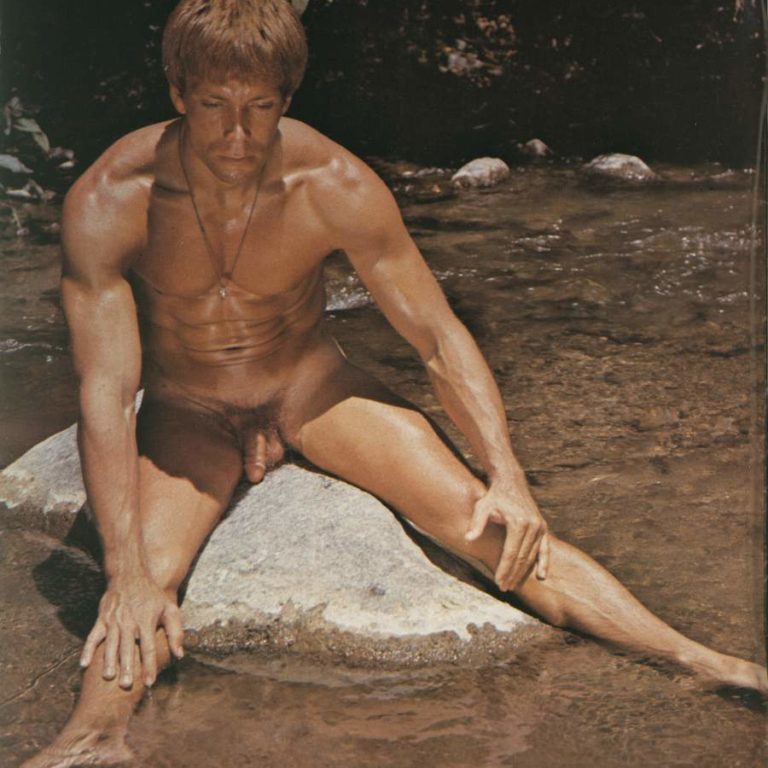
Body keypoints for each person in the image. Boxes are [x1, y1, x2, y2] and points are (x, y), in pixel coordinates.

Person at [24, 1, 767, 765]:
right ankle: (91, 739)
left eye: (261, 109)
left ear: (289, 98)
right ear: (178, 92)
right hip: (190, 407)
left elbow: (437, 337)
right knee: (147, 580)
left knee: (493, 529)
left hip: (307, 387)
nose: (237, 135)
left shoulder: (333, 183)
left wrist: (508, 475)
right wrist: (122, 569)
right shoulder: (112, 199)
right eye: (214, 106)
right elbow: (107, 390)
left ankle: (701, 662)